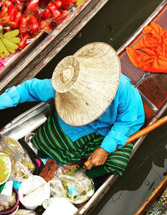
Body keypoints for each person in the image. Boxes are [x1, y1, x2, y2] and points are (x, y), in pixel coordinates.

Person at [0, 42, 145, 178]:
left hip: (116, 127)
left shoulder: (122, 89)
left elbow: (126, 122)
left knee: (116, 163)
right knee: (47, 141)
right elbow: (27, 90)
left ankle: (82, 173)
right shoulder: (65, 87)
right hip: (81, 120)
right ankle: (58, 162)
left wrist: (105, 149)